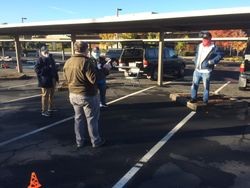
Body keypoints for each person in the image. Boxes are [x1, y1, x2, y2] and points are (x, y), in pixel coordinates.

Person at [63, 41, 105, 149]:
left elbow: (66, 79)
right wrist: (105, 70)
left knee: (78, 119)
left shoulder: (68, 62)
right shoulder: (86, 62)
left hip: (73, 94)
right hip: (87, 95)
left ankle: (79, 141)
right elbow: (94, 79)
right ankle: (96, 141)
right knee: (91, 119)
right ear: (86, 49)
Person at [190, 31, 223, 104]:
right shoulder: (199, 46)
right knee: (194, 85)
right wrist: (195, 59)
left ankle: (205, 100)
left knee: (206, 87)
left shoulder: (214, 48)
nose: (204, 40)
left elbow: (220, 55)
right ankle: (193, 98)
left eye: (206, 39)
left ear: (210, 39)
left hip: (206, 71)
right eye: (203, 39)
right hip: (197, 70)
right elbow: (197, 54)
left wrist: (212, 61)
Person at [34, 46, 59, 117]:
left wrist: (56, 70)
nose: (47, 52)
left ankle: (51, 107)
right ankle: (44, 110)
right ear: (41, 52)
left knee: (52, 94)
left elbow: (53, 67)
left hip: (53, 78)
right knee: (45, 95)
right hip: (45, 80)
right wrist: (47, 68)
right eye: (45, 51)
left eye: (47, 51)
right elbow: (37, 69)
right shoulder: (40, 59)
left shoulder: (51, 58)